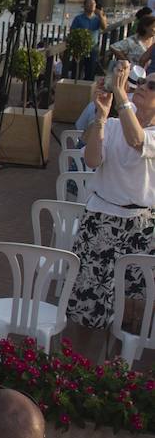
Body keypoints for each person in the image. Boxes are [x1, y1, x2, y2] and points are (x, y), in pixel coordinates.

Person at [66, 61, 155, 355]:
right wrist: (102, 118)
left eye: (150, 86)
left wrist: (121, 94)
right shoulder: (115, 125)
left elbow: (137, 139)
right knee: (86, 305)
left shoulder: (150, 134)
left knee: (131, 309)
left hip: (140, 227)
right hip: (101, 222)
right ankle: (77, 368)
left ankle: (115, 371)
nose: (141, 87)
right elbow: (92, 161)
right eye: (140, 83)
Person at [70, 0, 107, 79]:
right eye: (89, 4)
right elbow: (72, 31)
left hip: (93, 48)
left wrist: (100, 15)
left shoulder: (97, 18)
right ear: (85, 6)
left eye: (93, 4)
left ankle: (88, 88)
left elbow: (104, 27)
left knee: (90, 72)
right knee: (76, 71)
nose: (92, 5)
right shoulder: (78, 18)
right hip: (80, 48)